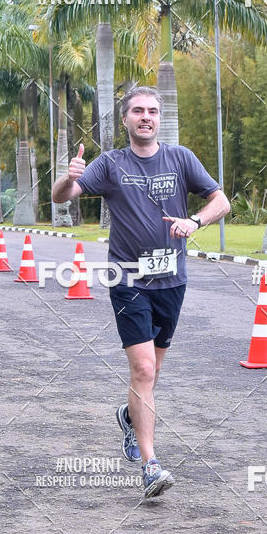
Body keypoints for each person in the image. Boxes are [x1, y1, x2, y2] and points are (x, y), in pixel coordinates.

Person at [52, 85, 230, 498]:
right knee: (144, 370)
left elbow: (220, 201)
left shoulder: (180, 157)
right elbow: (63, 197)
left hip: (172, 280)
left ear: (158, 118)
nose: (145, 116)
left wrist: (196, 222)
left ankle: (129, 417)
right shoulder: (111, 163)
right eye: (137, 111)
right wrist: (67, 177)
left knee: (153, 372)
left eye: (152, 110)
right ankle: (151, 465)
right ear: (126, 119)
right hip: (128, 280)